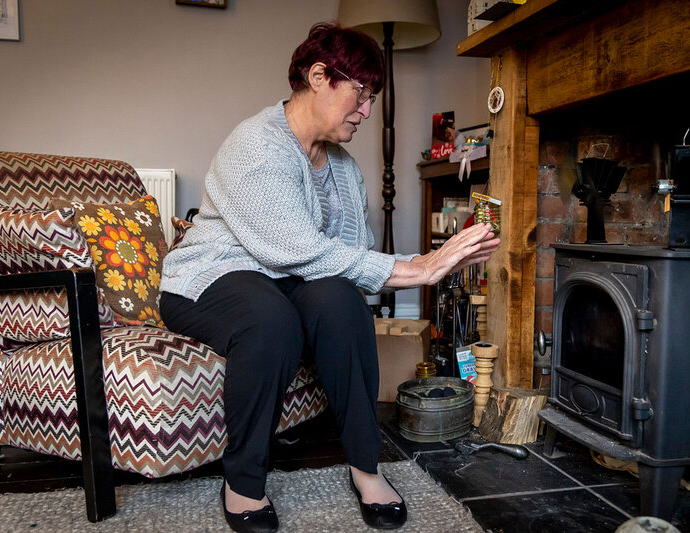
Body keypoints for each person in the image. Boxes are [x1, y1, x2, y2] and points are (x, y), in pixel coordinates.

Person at [159, 22, 500, 533]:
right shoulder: (256, 144)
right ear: (318, 76)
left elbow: (349, 260)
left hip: (283, 278)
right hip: (213, 278)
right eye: (361, 96)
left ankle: (366, 468)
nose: (366, 112)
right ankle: (243, 482)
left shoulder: (343, 167)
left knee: (340, 301)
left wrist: (439, 258)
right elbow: (294, 250)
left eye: (372, 99)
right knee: (269, 321)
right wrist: (419, 270)